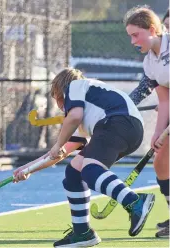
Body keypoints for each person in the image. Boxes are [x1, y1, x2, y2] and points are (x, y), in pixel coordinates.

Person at [14, 68, 155, 247]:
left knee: (90, 170)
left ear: (60, 91)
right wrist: (27, 169)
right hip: (126, 130)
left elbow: (73, 117)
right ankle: (82, 233)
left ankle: (134, 202)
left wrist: (57, 144)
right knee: (74, 171)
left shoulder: (74, 86)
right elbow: (61, 153)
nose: (59, 105)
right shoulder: (88, 109)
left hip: (118, 123)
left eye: (57, 98)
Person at [124, 5, 169, 238]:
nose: (133, 41)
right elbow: (164, 100)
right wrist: (158, 132)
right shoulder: (150, 62)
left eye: (135, 35)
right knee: (161, 161)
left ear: (152, 29)